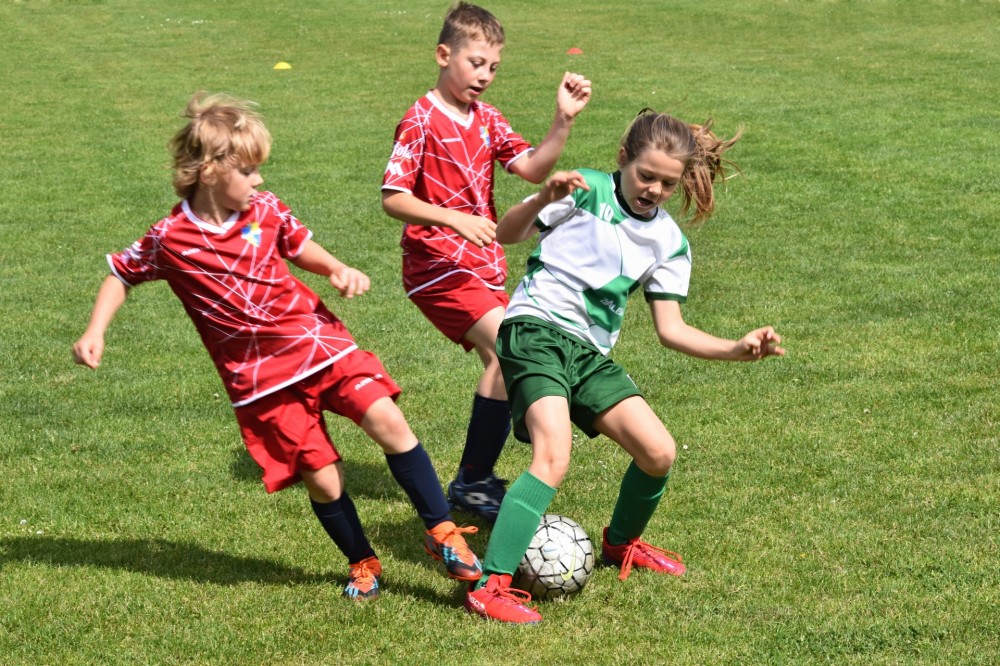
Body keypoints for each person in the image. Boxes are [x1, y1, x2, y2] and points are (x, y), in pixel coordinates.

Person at [72, 92, 482, 602]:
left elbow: (298, 245)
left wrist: (335, 268)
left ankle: (443, 533)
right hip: (261, 381)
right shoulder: (170, 238)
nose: (259, 180)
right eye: (248, 171)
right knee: (324, 481)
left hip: (319, 344)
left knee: (389, 422)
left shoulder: (265, 209)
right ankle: (362, 561)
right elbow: (120, 274)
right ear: (209, 171)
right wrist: (95, 331)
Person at [464, 109, 786, 623]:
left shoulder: (669, 242)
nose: (654, 189)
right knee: (553, 455)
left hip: (589, 354)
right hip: (536, 331)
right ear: (623, 159)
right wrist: (544, 197)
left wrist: (736, 348)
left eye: (667, 183)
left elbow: (671, 330)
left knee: (658, 451)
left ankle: (619, 544)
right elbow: (506, 233)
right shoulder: (584, 189)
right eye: (646, 175)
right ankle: (490, 585)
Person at [381, 2, 592, 523]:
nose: (484, 76)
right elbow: (393, 197)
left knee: (507, 360)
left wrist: (563, 120)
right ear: (443, 54)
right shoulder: (420, 119)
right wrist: (453, 219)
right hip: (436, 268)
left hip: (483, 266)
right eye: (475, 63)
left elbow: (531, 168)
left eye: (493, 67)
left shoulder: (488, 118)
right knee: (506, 349)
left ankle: (476, 478)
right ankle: (474, 480)